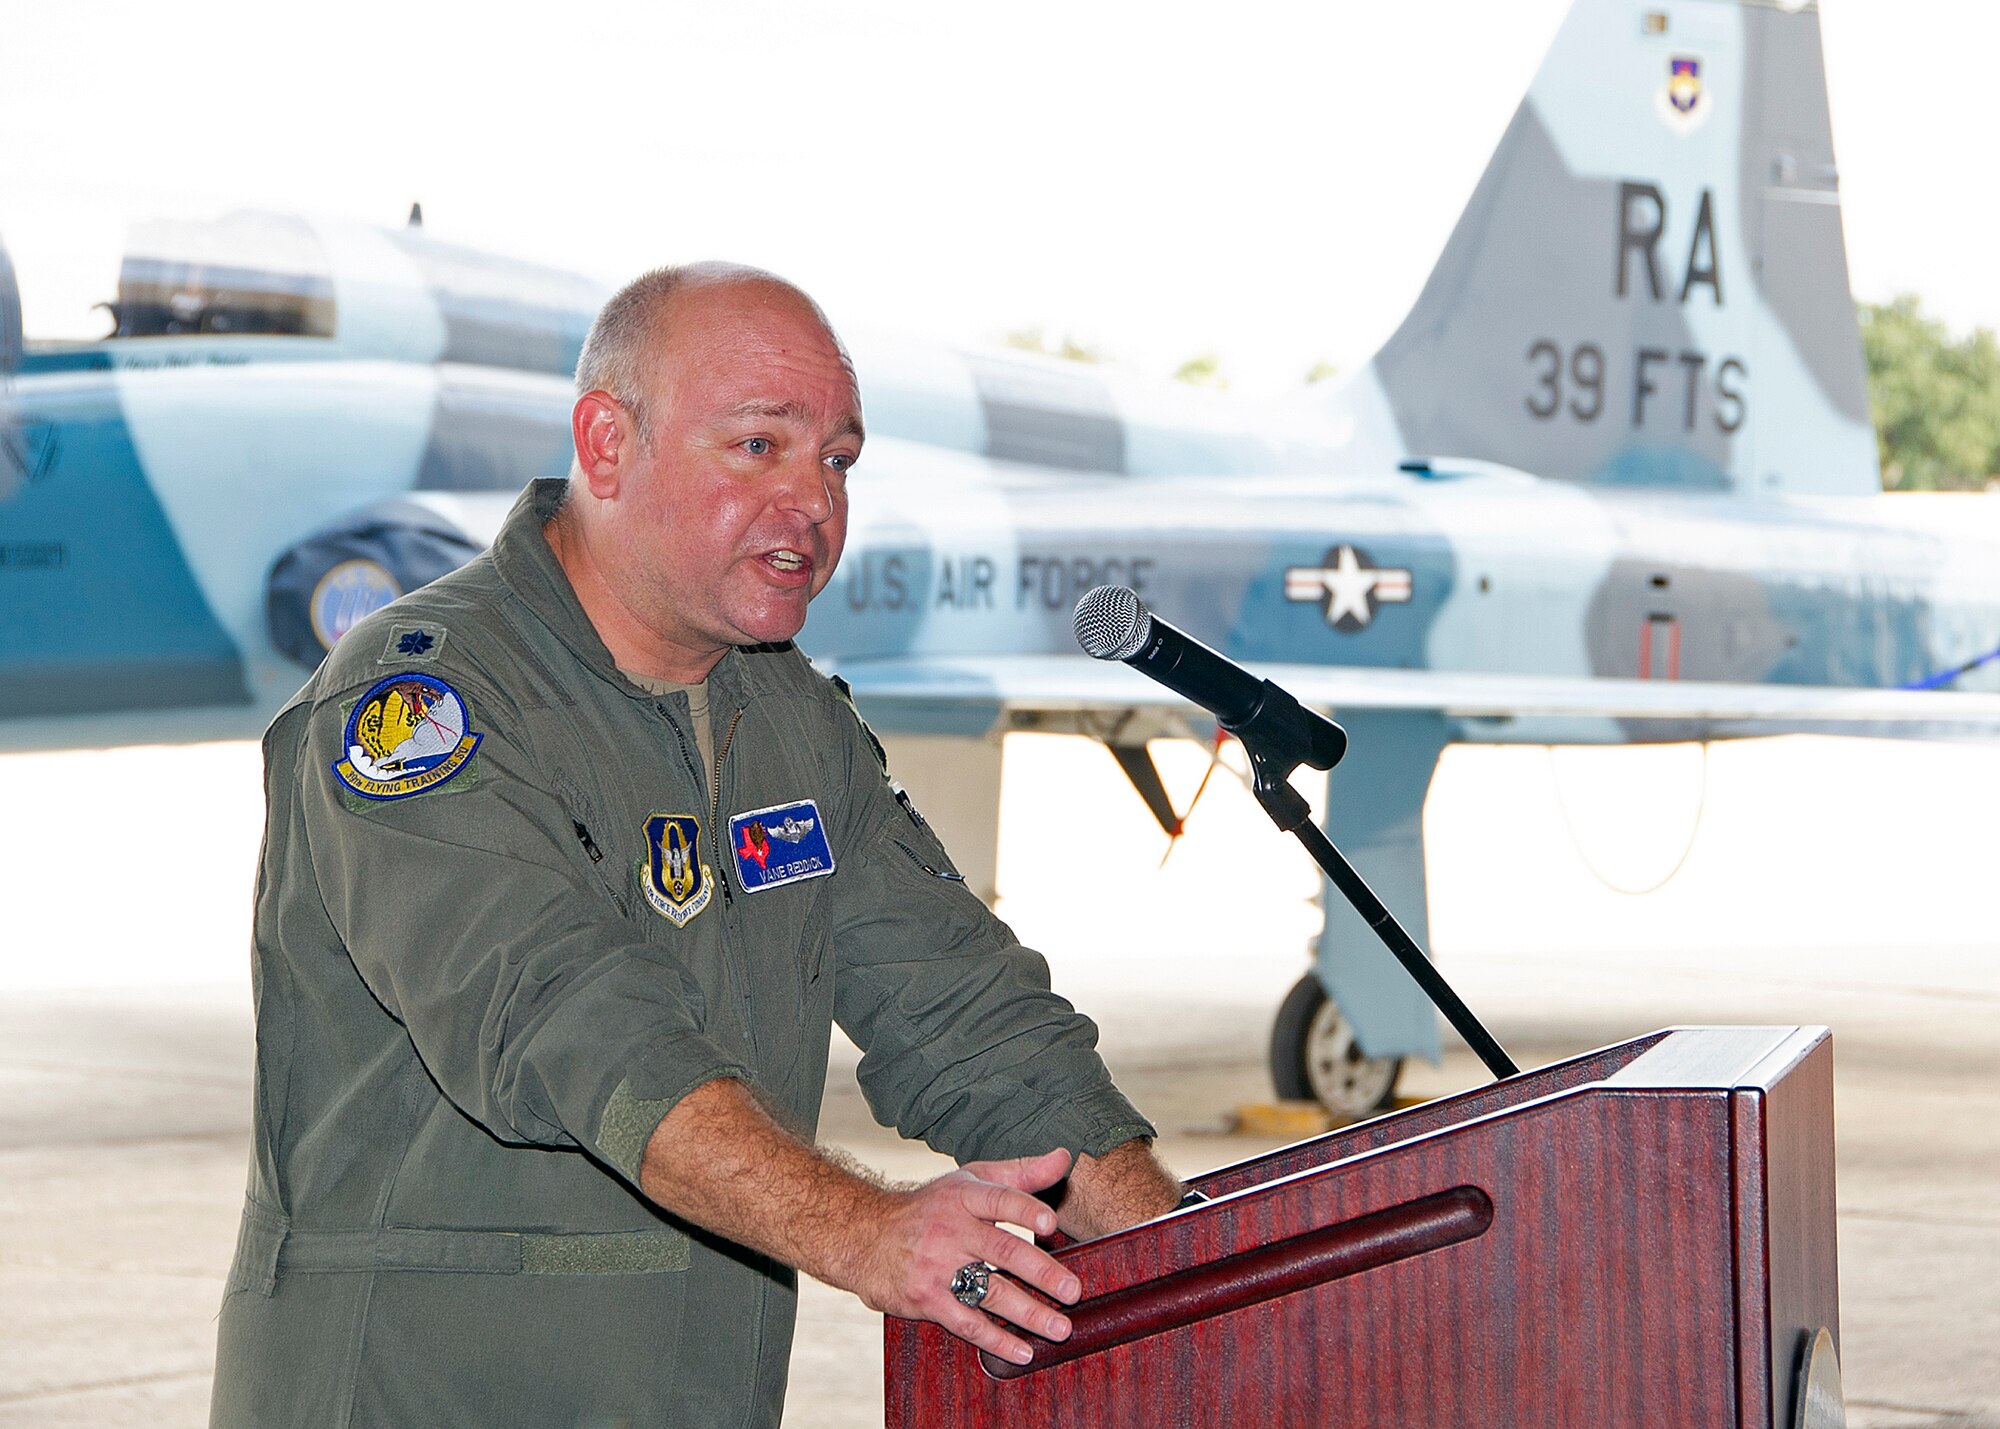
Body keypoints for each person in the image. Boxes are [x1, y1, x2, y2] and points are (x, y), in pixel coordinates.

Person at [210, 263, 1183, 1428]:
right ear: (607, 445)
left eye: (836, 459)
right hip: (419, 1395)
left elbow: (967, 1015)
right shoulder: (420, 706)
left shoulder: (787, 721)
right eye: (759, 446)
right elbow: (573, 1025)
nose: (813, 502)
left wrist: (1180, 1261)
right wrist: (868, 1230)